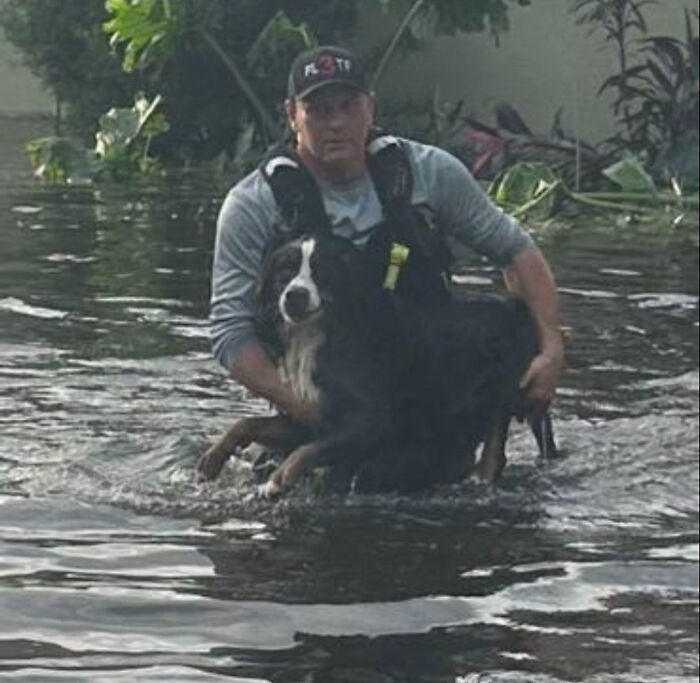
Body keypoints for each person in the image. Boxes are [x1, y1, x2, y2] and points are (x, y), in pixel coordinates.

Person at [207, 45, 563, 438]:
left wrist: (550, 348)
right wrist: (304, 406)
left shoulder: (430, 172)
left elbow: (517, 252)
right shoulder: (252, 204)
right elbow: (229, 332)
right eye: (319, 111)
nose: (336, 123)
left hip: (425, 377)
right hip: (317, 391)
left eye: (347, 107)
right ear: (292, 115)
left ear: (371, 108)